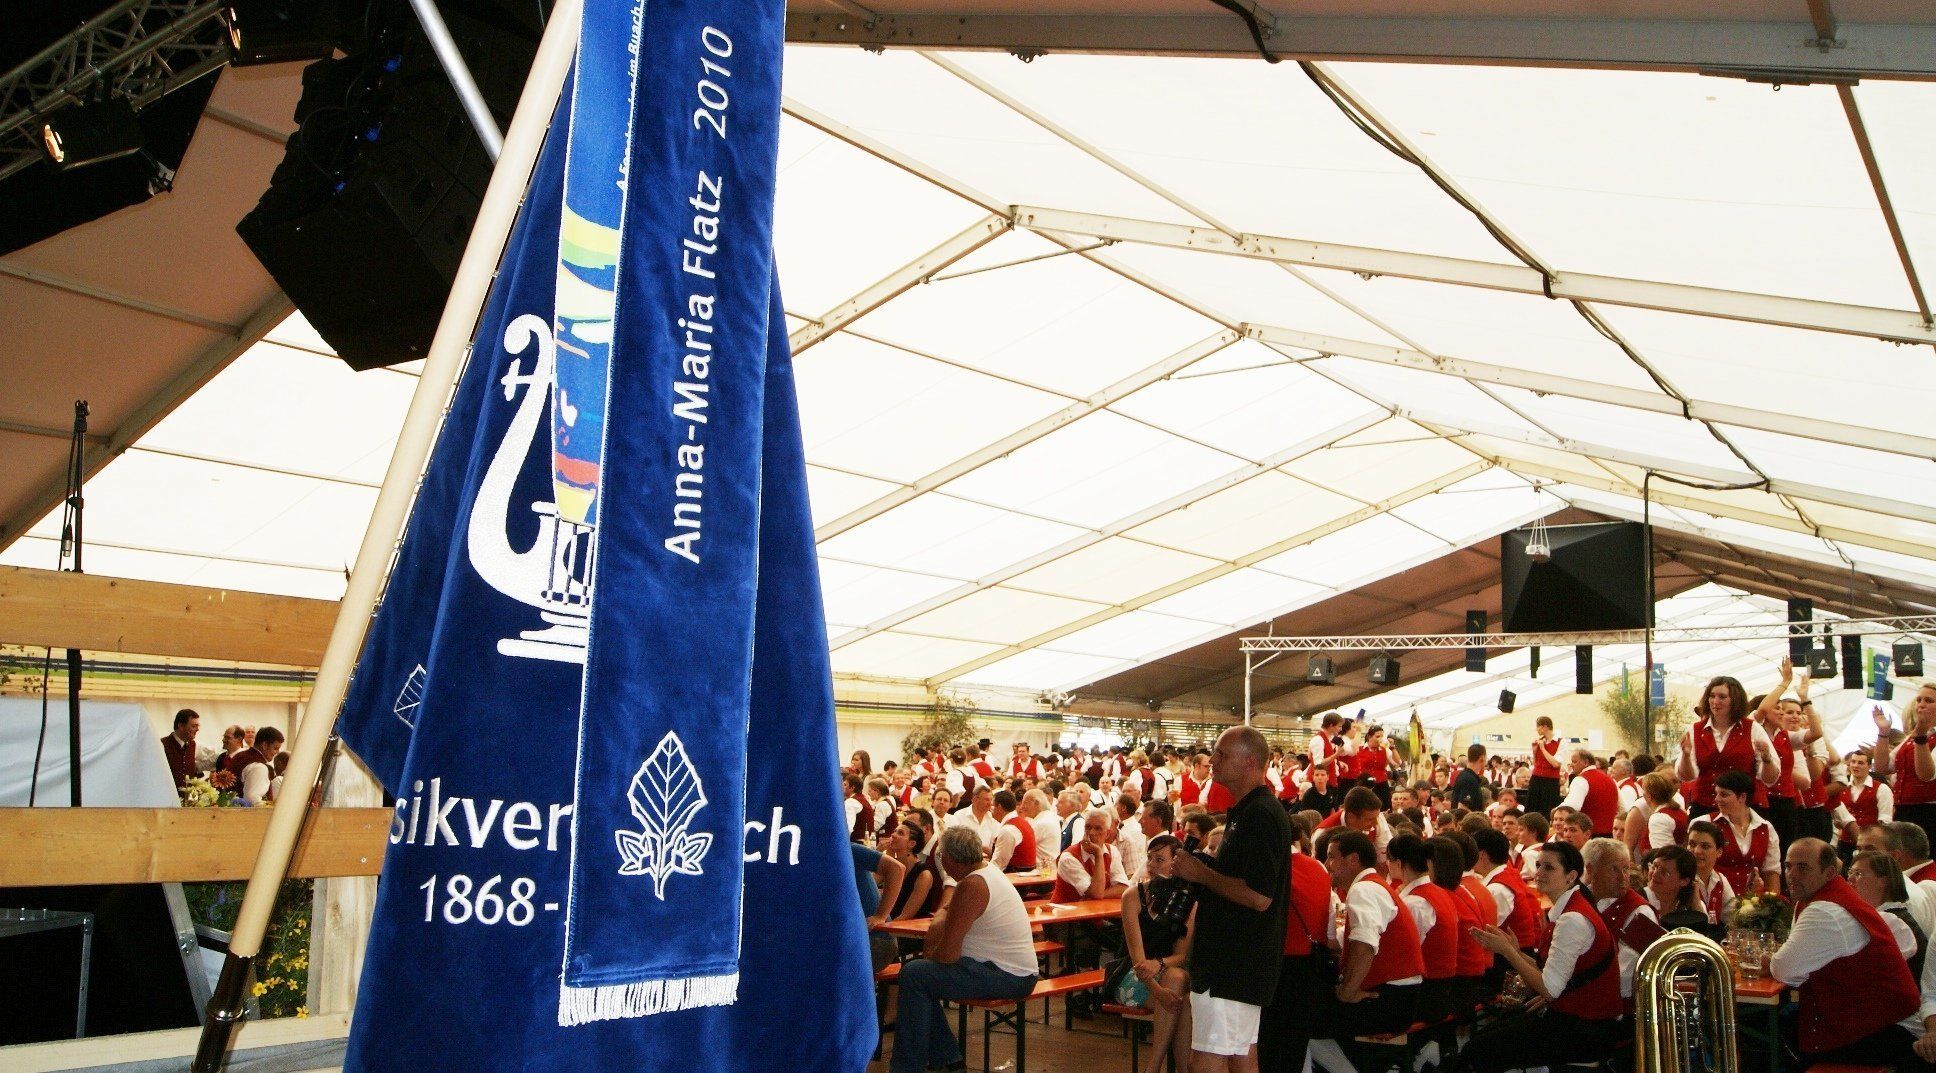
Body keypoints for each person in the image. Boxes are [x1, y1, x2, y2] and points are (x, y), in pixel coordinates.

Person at [1172, 726, 1293, 1073]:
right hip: (1238, 962)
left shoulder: (1261, 814)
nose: (1212, 760)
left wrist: (1201, 874)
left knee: (1206, 1060)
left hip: (1233, 962)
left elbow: (1259, 896)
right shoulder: (1249, 810)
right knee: (1241, 1056)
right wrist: (1204, 867)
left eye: (1222, 755)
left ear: (1250, 762)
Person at [1452, 841, 1624, 1073]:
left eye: (1549, 868)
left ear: (1571, 876)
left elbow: (1550, 989)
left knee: (1477, 1050)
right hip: (1580, 1020)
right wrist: (1515, 951)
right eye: (1539, 865)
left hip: (1586, 1029)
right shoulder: (1572, 907)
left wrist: (1508, 952)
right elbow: (1554, 973)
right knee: (1495, 1028)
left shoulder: (1573, 919)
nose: (1540, 872)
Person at [890, 827, 1041, 1073]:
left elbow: (946, 954)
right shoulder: (988, 872)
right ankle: (946, 1058)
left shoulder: (972, 885)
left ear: (950, 859)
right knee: (920, 976)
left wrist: (936, 927)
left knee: (915, 974)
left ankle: (909, 1067)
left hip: (1008, 976)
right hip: (1013, 971)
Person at [1770, 838, 1920, 1069]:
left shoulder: (1826, 910)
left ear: (1829, 872)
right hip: (1874, 1024)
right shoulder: (1822, 899)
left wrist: (1771, 962)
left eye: (1803, 867)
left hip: (1887, 1034)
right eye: (1788, 866)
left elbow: (1784, 969)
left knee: (1765, 1038)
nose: (1792, 875)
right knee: (1781, 1030)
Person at [1260, 824, 1339, 1073]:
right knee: (1293, 1044)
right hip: (1311, 963)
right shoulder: (1318, 867)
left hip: (1279, 964)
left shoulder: (1271, 868)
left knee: (1269, 1045)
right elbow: (1328, 926)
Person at [1120, 834, 1198, 1073]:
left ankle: (1154, 1068)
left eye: (1160, 860)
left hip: (1166, 972)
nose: (1152, 865)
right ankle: (1159, 1068)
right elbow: (1137, 959)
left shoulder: (1188, 901)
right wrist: (1157, 990)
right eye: (1150, 859)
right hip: (1133, 975)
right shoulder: (1132, 896)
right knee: (1180, 995)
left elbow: (1181, 955)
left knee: (1177, 983)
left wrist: (1159, 964)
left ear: (1176, 864)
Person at [1674, 674, 1779, 816]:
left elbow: (1770, 779)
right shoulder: (1695, 729)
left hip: (1744, 810)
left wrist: (1767, 760)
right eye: (1712, 696)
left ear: (1735, 700)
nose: (1715, 701)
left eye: (1722, 697)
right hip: (1705, 808)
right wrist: (1686, 756)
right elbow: (1686, 777)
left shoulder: (1753, 728)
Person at [1582, 838, 1663, 1008]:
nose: (1623, 877)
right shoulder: (1579, 899)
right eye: (1613, 869)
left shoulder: (1641, 912)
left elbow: (1625, 976)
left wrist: (1569, 991)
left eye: (1626, 869)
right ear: (1590, 869)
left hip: (1613, 1009)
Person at [1878, 685, 1936, 854]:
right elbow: (1883, 767)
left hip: (1928, 812)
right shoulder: (1912, 736)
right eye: (1919, 700)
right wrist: (1883, 732)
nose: (1921, 704)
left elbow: (1926, 775)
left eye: (1929, 700)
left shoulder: (1920, 736)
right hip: (1905, 809)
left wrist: (1921, 737)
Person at [1711, 769, 1781, 895]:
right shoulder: (1705, 823)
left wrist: (1771, 903)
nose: (1717, 799)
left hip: (1752, 902)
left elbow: (1771, 873)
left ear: (1742, 797)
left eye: (1724, 795)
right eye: (1716, 794)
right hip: (1715, 898)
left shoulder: (1766, 828)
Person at [852, 838, 907, 972]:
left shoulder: (847, 849)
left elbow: (897, 869)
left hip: (877, 940)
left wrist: (880, 916)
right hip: (861, 937)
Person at [1642, 845, 1713, 934]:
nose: (1655, 874)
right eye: (1654, 866)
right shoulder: (1640, 901)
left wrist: (1696, 903)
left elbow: (1702, 938)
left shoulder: (1692, 905)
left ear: (1684, 881)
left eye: (1664, 872)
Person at [1835, 749, 1893, 857]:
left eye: (1860, 763)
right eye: (1853, 762)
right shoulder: (1841, 788)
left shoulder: (1882, 788)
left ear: (1869, 766)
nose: (1855, 766)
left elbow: (1885, 822)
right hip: (1844, 844)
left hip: (1870, 846)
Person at [882, 821, 939, 922]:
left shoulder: (924, 874)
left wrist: (881, 925)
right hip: (887, 922)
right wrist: (881, 856)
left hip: (908, 928)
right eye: (894, 831)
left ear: (912, 844)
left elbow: (905, 916)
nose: (893, 835)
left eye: (900, 833)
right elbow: (869, 884)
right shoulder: (892, 865)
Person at [1685, 820, 1737, 924]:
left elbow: (1732, 919)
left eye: (1705, 846)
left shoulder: (1721, 880)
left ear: (1719, 852)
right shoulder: (1680, 879)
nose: (1697, 851)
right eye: (1692, 844)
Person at [1557, 749, 1619, 837]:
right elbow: (1623, 808)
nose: (1571, 765)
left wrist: (1555, 811)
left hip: (1588, 836)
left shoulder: (1580, 780)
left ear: (1586, 762)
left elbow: (1571, 807)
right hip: (1609, 836)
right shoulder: (1611, 781)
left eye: (1574, 761)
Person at [988, 789, 1038, 872]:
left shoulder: (1008, 830)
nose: (990, 810)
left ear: (999, 807)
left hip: (1015, 877)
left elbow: (998, 864)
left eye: (992, 806)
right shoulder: (1023, 822)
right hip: (1025, 874)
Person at [235, 726, 283, 805]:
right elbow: (253, 800)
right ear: (264, 745)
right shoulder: (259, 767)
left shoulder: (239, 756)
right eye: (275, 748)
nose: (277, 752)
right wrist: (271, 805)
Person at [1526, 716, 1563, 815]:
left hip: (1550, 781)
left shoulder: (1560, 742)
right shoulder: (1539, 741)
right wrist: (1534, 751)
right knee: (1531, 809)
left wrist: (1542, 748)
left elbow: (1556, 764)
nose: (1537, 729)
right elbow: (1536, 763)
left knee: (1547, 810)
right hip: (1536, 779)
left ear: (1545, 727)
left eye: (1538, 726)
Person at [160, 708, 201, 789]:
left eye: (197, 726)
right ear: (181, 726)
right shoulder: (162, 745)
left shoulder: (193, 745)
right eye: (193, 726)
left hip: (188, 796)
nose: (197, 729)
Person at [1450, 743, 1487, 813]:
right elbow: (1462, 807)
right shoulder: (1469, 779)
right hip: (1466, 819)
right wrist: (1479, 818)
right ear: (1481, 758)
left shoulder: (1466, 775)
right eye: (1486, 757)